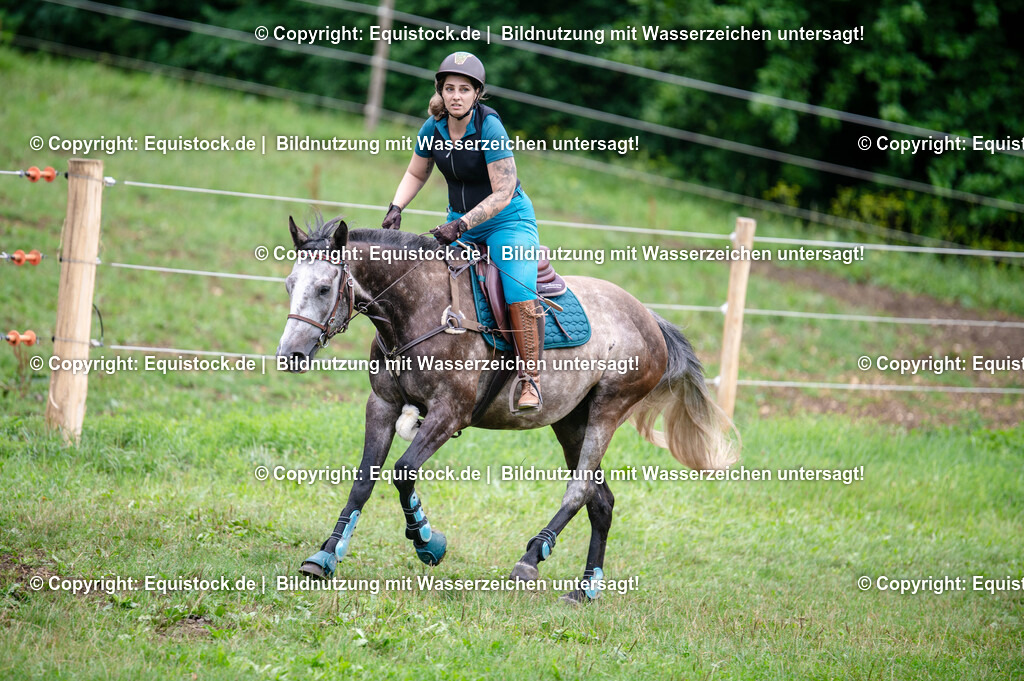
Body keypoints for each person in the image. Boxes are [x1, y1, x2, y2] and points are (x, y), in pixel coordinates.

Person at [381, 51, 545, 411]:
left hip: (506, 221)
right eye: (450, 88)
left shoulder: (489, 127)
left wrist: (462, 224)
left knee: (517, 287)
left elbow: (503, 191)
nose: (456, 95)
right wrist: (396, 207)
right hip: (459, 225)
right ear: (441, 91)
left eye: (465, 89)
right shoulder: (433, 127)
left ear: (477, 94)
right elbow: (416, 172)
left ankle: (530, 380)